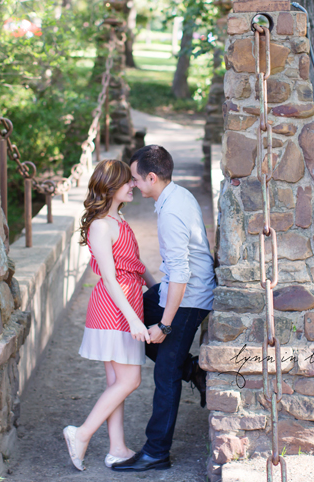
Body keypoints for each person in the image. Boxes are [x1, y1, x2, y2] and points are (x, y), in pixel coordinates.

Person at [112, 145, 215, 473]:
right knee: (132, 319)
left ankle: (156, 451)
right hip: (174, 289)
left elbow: (183, 275)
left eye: (135, 179)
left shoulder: (171, 212)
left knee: (164, 371)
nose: (133, 185)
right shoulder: (175, 195)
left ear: (152, 177)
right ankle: (192, 370)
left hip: (188, 299)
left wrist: (166, 326)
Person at [63, 159, 158, 471]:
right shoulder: (101, 226)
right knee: (130, 379)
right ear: (111, 187)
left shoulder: (119, 220)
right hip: (113, 310)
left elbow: (135, 264)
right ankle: (82, 434)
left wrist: (158, 289)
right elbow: (109, 278)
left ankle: (117, 448)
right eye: (127, 181)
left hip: (128, 305)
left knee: (116, 381)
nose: (133, 184)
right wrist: (132, 319)